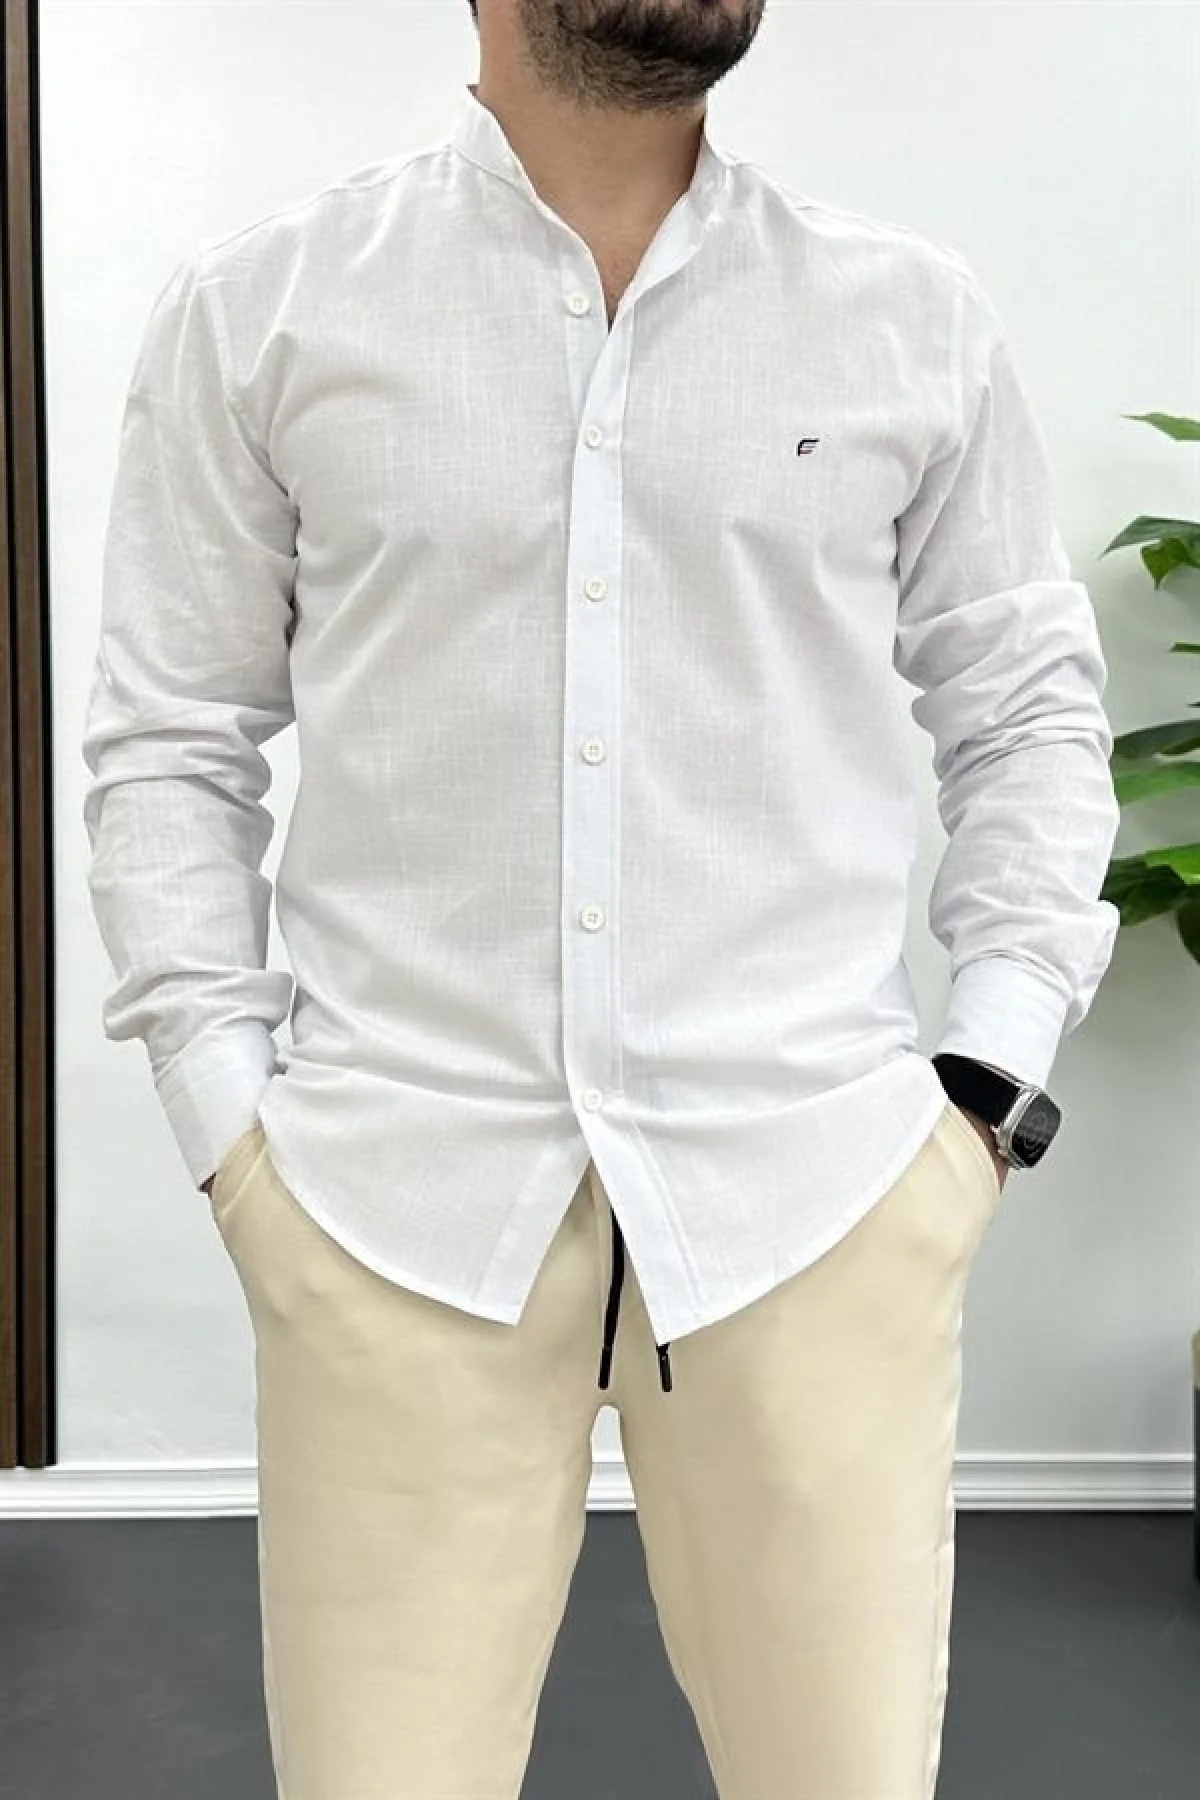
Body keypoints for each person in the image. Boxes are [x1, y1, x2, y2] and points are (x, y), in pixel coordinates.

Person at [81, 2, 1121, 1795]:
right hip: (388, 1207)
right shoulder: (268, 308)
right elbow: (173, 739)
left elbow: (1027, 713)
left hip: (819, 1200)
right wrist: (232, 1134)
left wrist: (983, 1095)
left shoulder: (908, 315)